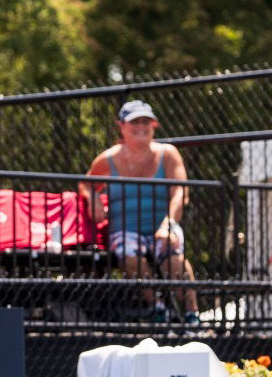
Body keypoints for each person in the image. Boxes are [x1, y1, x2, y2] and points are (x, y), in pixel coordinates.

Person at [81, 100, 199, 324]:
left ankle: (192, 314)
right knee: (129, 254)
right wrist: (93, 197)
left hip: (163, 227)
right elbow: (86, 183)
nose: (140, 127)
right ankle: (157, 308)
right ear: (122, 126)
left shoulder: (168, 154)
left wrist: (169, 225)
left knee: (174, 258)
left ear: (154, 125)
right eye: (134, 122)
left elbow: (180, 192)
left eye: (145, 121)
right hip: (126, 231)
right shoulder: (108, 159)